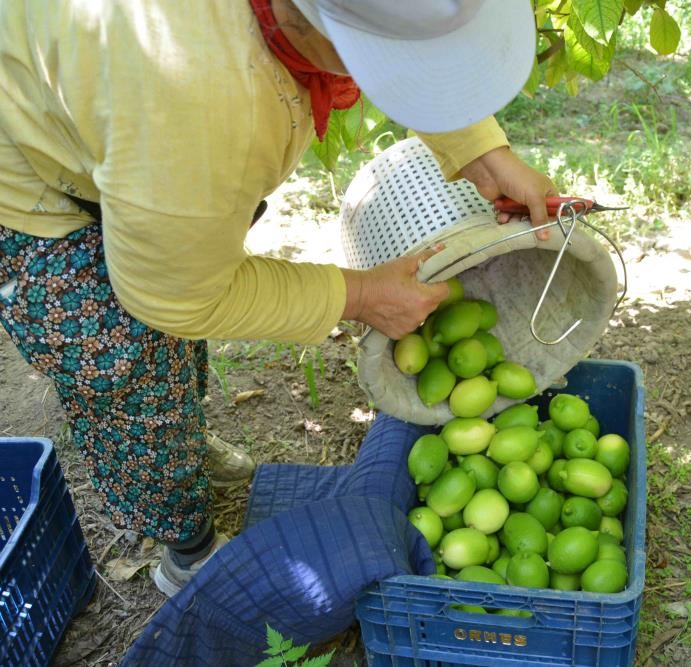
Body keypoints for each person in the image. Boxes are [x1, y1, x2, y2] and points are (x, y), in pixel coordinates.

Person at [0, 0, 556, 597]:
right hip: (36, 189)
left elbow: (402, 32)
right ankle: (185, 547)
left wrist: (484, 153)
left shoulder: (270, 46)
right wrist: (362, 294)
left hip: (123, 138)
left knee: (174, 352)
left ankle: (184, 442)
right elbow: (174, 294)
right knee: (125, 373)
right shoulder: (193, 93)